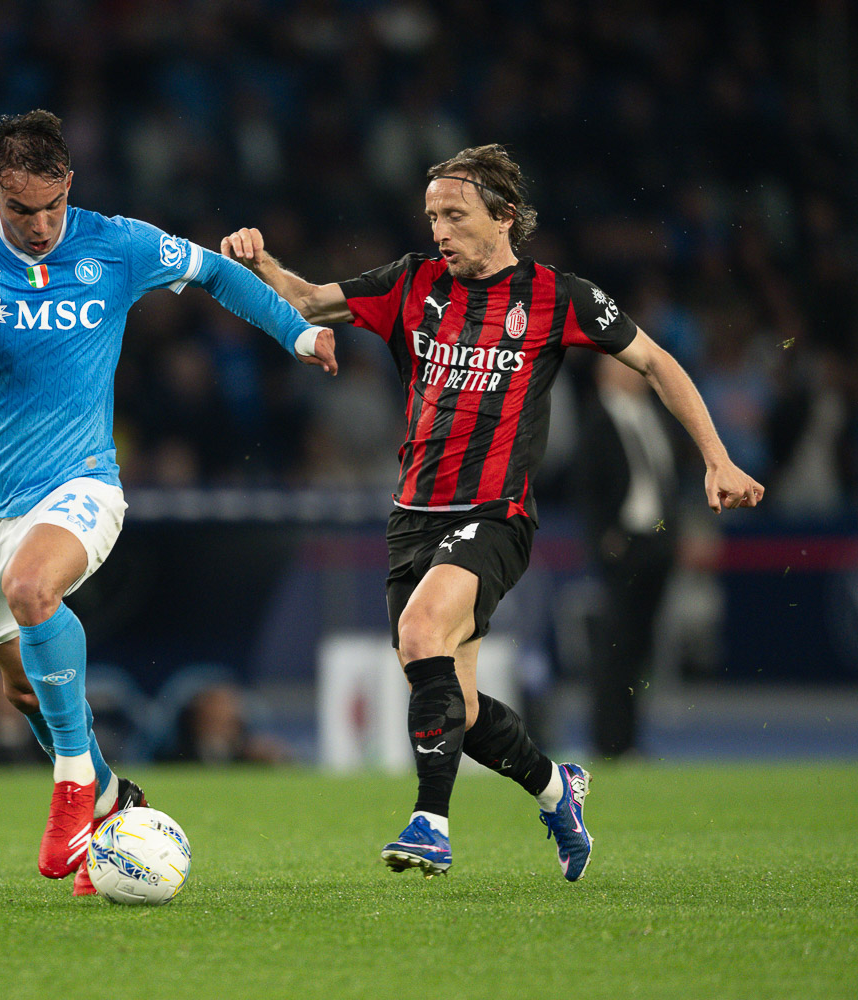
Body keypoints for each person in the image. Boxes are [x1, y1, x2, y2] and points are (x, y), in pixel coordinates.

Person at [222, 144, 764, 881]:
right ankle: (557, 789)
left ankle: (430, 823)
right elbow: (310, 301)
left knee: (421, 631)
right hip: (412, 515)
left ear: (504, 216)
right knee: (459, 706)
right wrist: (262, 264)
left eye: (455, 215)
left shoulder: (557, 296)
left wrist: (716, 457)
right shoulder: (411, 282)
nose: (439, 230)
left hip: (495, 513)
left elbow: (656, 363)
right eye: (432, 216)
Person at [0, 109, 337, 896]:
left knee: (32, 588)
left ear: (70, 185)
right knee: (23, 688)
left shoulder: (115, 243)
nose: (40, 224)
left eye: (53, 204)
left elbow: (215, 272)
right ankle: (113, 796)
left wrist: (296, 334)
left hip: (81, 481)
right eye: (21, 209)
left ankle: (71, 790)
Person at [577, 353, 682, 759]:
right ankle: (608, 741)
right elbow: (586, 488)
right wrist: (604, 537)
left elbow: (666, 479)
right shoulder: (598, 420)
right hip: (623, 546)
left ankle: (631, 739)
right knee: (615, 647)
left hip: (656, 544)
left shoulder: (653, 415)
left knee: (641, 648)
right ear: (607, 372)